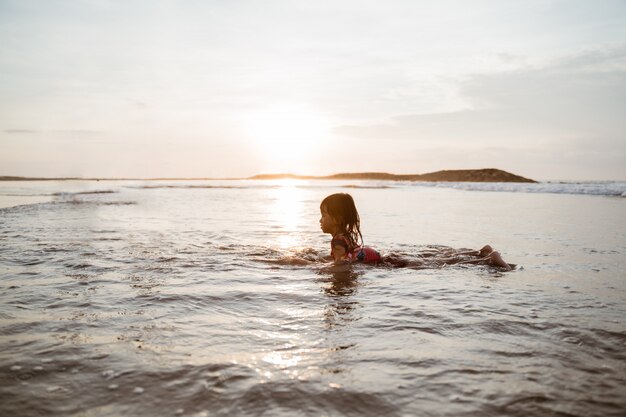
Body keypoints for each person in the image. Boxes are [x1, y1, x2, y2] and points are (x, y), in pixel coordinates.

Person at [319, 193, 513, 271]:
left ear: (337, 219)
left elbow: (341, 266)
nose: (320, 220)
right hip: (386, 259)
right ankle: (479, 252)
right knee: (434, 261)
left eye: (323, 215)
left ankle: (487, 260)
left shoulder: (338, 241)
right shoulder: (345, 236)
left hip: (385, 264)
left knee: (435, 264)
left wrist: (314, 269)